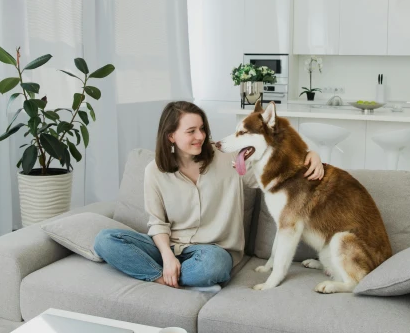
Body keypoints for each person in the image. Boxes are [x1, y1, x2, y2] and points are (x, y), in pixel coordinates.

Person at [94, 101, 324, 292]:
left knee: (213, 266)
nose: (200, 136)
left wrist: (310, 155)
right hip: (171, 247)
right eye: (191, 131)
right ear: (171, 136)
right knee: (105, 240)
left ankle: (168, 275)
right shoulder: (154, 171)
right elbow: (157, 223)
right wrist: (167, 258)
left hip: (213, 253)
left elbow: (273, 175)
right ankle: (163, 278)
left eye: (202, 129)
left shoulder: (227, 158)